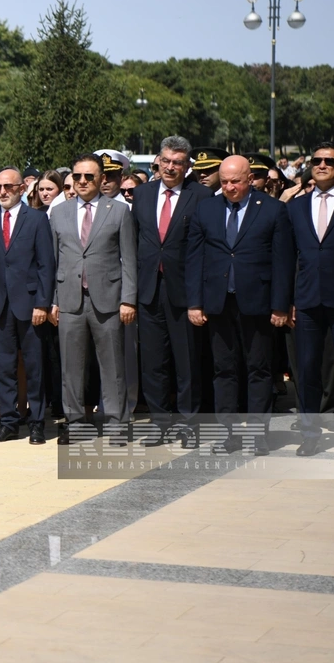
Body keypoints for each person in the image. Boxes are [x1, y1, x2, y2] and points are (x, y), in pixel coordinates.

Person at [186, 155, 292, 455]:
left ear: (249, 179)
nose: (230, 187)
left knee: (259, 369)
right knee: (224, 370)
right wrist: (195, 303)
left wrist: (280, 306)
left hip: (257, 302)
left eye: (236, 181)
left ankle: (258, 435)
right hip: (218, 302)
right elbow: (194, 259)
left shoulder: (272, 209)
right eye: (225, 181)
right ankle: (227, 435)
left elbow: (282, 261)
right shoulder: (206, 209)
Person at [49, 153, 137, 444]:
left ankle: (116, 426)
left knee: (112, 367)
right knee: (71, 368)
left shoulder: (119, 211)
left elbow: (129, 259)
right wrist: (52, 300)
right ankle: (75, 424)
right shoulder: (58, 212)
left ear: (102, 178)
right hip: (69, 299)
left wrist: (128, 299)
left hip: (108, 300)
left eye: (89, 176)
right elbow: (53, 260)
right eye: (77, 176)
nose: (82, 181)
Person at [131, 136, 212, 447]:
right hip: (149, 290)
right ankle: (159, 423)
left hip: (185, 293)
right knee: (153, 363)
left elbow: (204, 247)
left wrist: (198, 298)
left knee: (187, 363)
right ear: (158, 161)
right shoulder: (142, 194)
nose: (170, 167)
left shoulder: (201, 195)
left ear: (187, 166)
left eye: (177, 163)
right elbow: (135, 242)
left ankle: (189, 425)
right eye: (165, 161)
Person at [0, 167, 55, 443]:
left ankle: (37, 422)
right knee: (4, 367)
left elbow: (46, 265)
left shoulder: (36, 219)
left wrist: (42, 303)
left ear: (22, 189)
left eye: (8, 186)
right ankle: (8, 422)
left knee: (34, 366)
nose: (2, 191)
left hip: (30, 304)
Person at [287, 143, 334, 457]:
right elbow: (285, 257)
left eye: (329, 161)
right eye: (316, 160)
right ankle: (309, 433)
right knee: (306, 370)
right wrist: (286, 300)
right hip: (305, 300)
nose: (321, 165)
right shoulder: (296, 207)